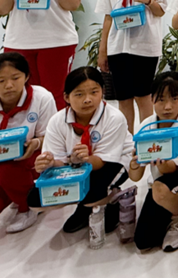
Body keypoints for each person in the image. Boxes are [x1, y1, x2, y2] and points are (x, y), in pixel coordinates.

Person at [28, 67, 134, 234]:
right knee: (35, 199)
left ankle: (111, 199)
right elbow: (59, 162)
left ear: (102, 91)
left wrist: (83, 160)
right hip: (75, 166)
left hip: (112, 161)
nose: (87, 100)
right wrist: (50, 163)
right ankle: (85, 207)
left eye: (94, 92)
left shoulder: (114, 118)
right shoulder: (57, 121)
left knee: (93, 193)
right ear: (66, 97)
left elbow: (101, 161)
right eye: (79, 94)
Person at [0, 52, 57, 233]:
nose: (9, 86)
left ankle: (28, 206)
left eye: (15, 78)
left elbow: (53, 138)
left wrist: (35, 144)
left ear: (27, 77)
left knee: (3, 170)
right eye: (0, 81)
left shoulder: (42, 98)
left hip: (34, 157)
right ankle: (17, 190)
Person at [96, 0, 167, 131]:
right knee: (124, 98)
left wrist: (148, 0)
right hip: (118, 47)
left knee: (143, 96)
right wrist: (103, 51)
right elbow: (108, 17)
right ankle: (127, 140)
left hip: (145, 46)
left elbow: (161, 11)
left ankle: (146, 136)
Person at [130, 72, 178, 252]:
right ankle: (170, 204)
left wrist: (159, 160)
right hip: (161, 181)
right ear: (151, 99)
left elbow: (174, 168)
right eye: (161, 100)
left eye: (174, 99)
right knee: (143, 241)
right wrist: (134, 164)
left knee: (160, 188)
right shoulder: (146, 126)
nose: (167, 106)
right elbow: (135, 176)